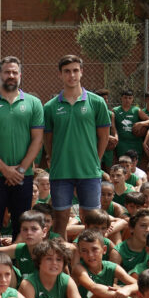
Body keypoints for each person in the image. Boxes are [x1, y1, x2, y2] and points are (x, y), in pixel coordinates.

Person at [0, 56, 44, 241]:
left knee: (23, 227)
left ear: (20, 75)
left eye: (14, 72)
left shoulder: (34, 103)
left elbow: (37, 140)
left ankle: (20, 266)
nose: (11, 75)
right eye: (7, 72)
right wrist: (5, 170)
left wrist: (20, 170)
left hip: (23, 176)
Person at [43, 55, 110, 239]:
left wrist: (96, 160)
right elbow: (47, 138)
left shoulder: (96, 102)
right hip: (61, 170)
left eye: (75, 70)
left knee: (91, 221)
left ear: (81, 72)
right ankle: (61, 261)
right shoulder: (50, 106)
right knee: (60, 220)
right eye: (67, 71)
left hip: (88, 170)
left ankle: (88, 260)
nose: (71, 75)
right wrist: (53, 157)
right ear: (60, 75)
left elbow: (104, 136)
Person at [112, 90, 149, 161]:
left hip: (135, 142)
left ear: (132, 99)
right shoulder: (115, 110)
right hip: (122, 142)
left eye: (130, 98)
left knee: (135, 163)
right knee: (123, 163)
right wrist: (115, 136)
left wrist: (141, 123)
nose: (127, 100)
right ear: (121, 98)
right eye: (125, 98)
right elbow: (113, 126)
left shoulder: (136, 110)